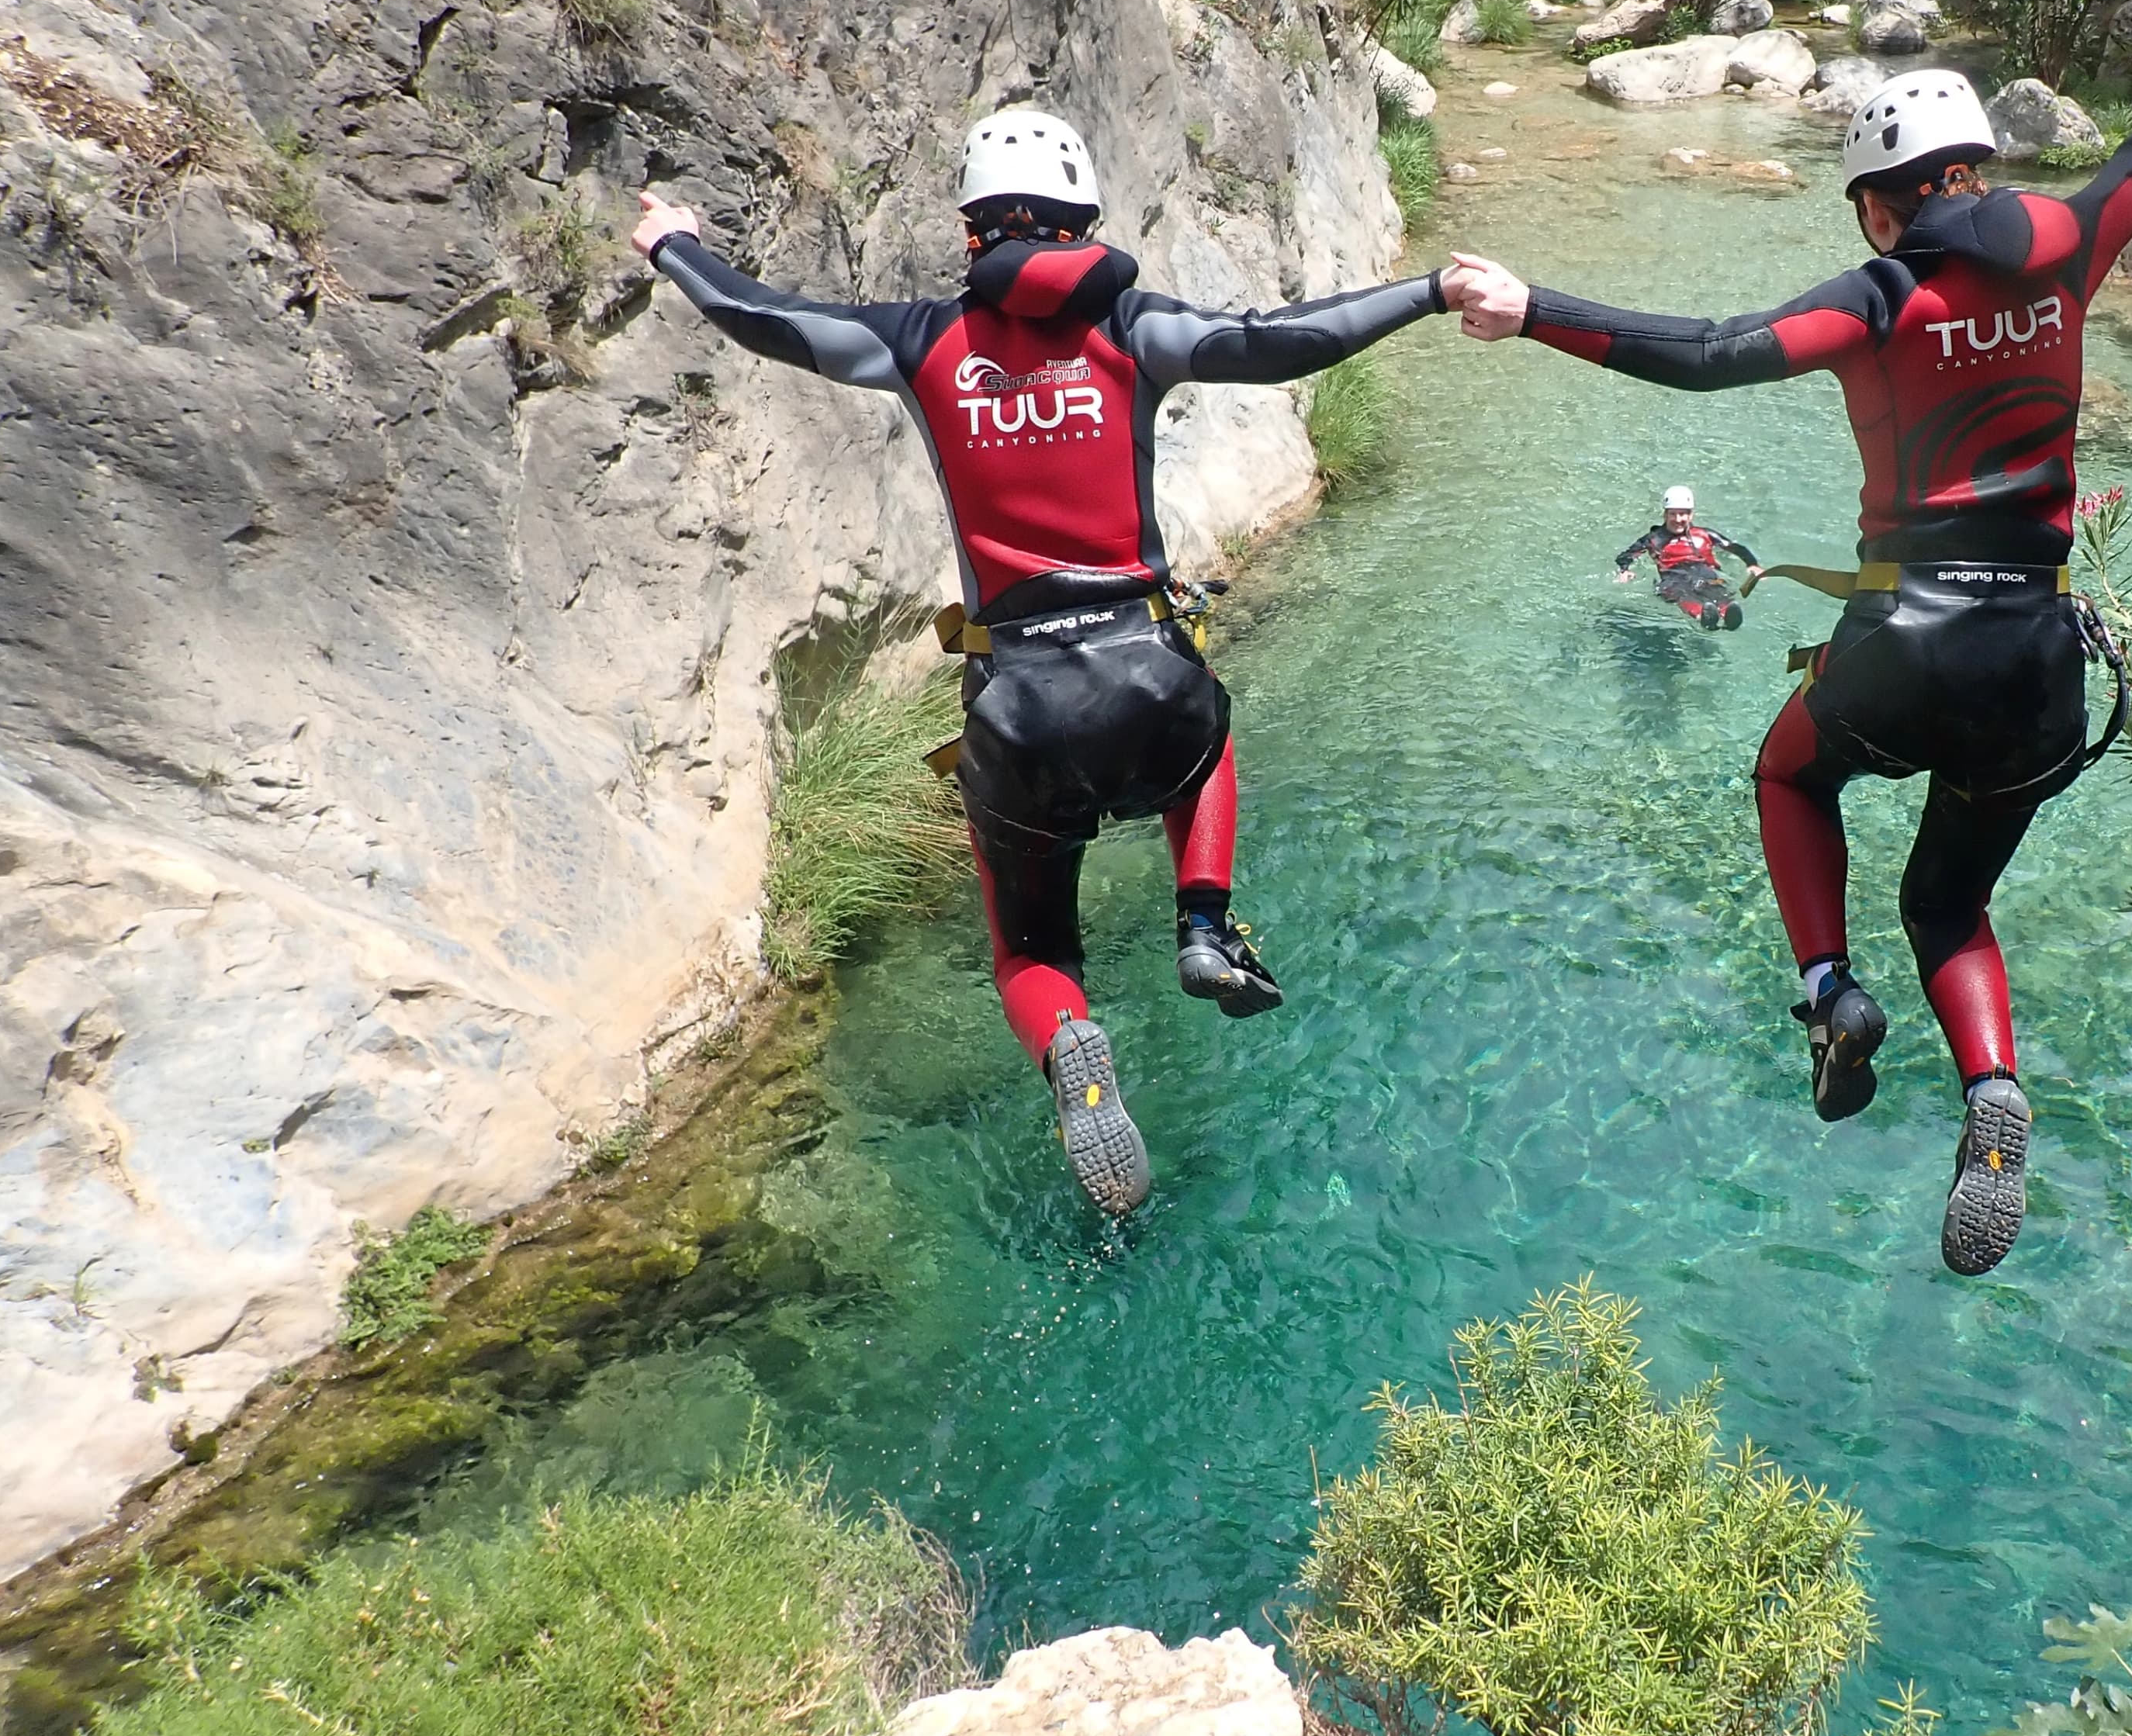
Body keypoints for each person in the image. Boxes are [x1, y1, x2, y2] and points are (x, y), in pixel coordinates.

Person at [1448, 0, 2132, 1277]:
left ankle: (1829, 992)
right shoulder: (2072, 242)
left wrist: (1530, 304)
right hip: (2038, 659)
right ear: (1983, 165)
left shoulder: (1883, 296)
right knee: (1951, 908)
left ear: (1885, 201)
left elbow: (1712, 355)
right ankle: (1994, 1093)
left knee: (1790, 777)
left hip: (1906, 637)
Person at [633, 108, 1490, 1216]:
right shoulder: (1135, 330)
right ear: (1088, 219)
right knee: (1206, 736)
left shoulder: (918, 340)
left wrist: (677, 243)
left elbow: (765, 317)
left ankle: (1076, 1047)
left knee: (1030, 949)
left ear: (968, 228)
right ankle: (1204, 923)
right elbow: (1287, 339)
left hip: (1018, 705)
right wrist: (1426, 291)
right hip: (1147, 670)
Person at [1615, 486, 1763, 630]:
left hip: (1704, 572)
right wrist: (1624, 570)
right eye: (1673, 514)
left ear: (1691, 515)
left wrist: (1752, 564)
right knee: (1681, 593)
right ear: (1665, 515)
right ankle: (1702, 616)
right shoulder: (1653, 539)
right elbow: (1626, 555)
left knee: (1716, 588)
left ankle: (1728, 612)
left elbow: (1735, 548)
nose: (1678, 519)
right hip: (1673, 577)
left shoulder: (1705, 534)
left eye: (1683, 514)